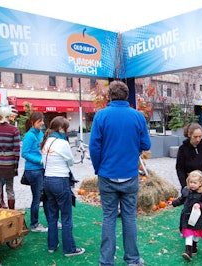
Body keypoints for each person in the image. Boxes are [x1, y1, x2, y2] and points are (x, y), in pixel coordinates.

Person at [89, 80, 151, 266]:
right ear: (126, 96)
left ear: (110, 96)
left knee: (108, 218)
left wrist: (98, 168)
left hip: (107, 174)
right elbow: (146, 145)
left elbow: (94, 147)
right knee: (129, 217)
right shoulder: (137, 116)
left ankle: (106, 261)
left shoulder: (101, 116)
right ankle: (132, 259)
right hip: (130, 174)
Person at [41, 116, 85, 256]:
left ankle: (52, 245)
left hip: (47, 180)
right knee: (66, 216)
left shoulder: (46, 142)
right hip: (60, 180)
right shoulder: (63, 143)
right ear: (60, 128)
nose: (66, 131)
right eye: (66, 128)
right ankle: (69, 248)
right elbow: (71, 162)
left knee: (52, 215)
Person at [171, 170, 202, 261]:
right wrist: (173, 203)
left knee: (195, 235)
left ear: (200, 183)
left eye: (195, 183)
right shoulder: (187, 191)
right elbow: (181, 199)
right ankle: (188, 252)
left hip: (197, 218)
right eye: (191, 182)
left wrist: (200, 205)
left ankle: (194, 246)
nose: (192, 185)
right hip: (187, 217)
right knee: (188, 234)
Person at [21, 112, 50, 232]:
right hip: (33, 171)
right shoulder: (29, 136)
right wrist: (40, 161)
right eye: (40, 121)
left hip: (41, 170)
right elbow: (25, 153)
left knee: (46, 197)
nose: (42, 123)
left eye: (43, 121)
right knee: (37, 198)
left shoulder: (40, 134)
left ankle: (51, 221)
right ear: (33, 122)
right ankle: (34, 224)